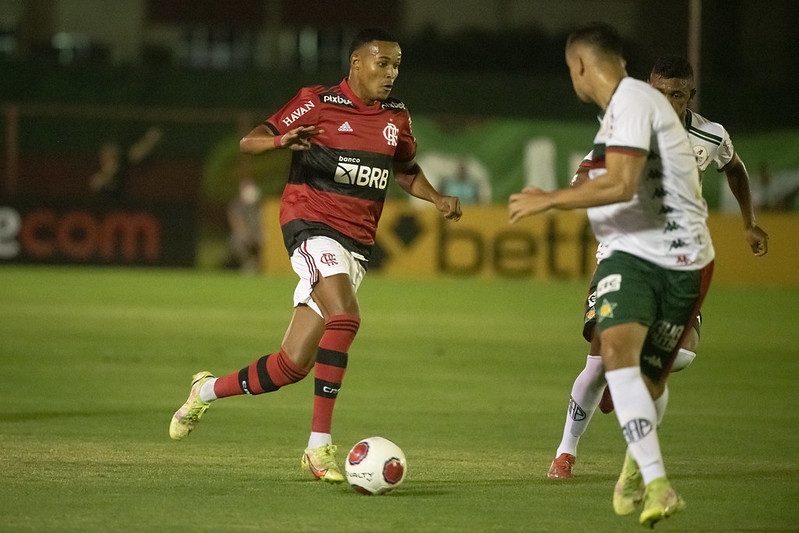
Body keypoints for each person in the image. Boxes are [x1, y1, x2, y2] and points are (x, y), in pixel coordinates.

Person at [168, 28, 462, 483]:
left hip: (357, 242)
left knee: (291, 366)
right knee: (345, 319)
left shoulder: (396, 116)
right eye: (382, 63)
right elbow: (251, 140)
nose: (391, 73)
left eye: (397, 65)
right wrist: (279, 142)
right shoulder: (318, 102)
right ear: (356, 63)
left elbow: (404, 170)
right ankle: (317, 447)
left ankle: (203, 390)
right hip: (310, 225)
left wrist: (436, 197)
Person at [509, 23, 715, 527]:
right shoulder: (632, 112)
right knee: (619, 362)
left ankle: (635, 461)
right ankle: (653, 480)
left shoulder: (633, 104)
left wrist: (549, 198)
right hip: (655, 257)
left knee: (651, 373)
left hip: (669, 260)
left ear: (579, 67)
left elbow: (620, 183)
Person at [545, 53, 770, 482]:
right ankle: (565, 453)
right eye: (661, 92)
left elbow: (735, 169)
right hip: (623, 254)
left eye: (678, 95)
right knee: (598, 360)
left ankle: (623, 376)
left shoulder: (710, 135)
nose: (668, 101)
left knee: (681, 354)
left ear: (691, 96)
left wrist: (749, 222)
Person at [89, 126, 162, 202]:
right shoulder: (98, 179)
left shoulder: (125, 166)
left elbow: (136, 154)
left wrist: (150, 141)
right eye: (106, 156)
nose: (108, 159)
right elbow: (96, 185)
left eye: (112, 156)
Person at [225, 177, 263, 273]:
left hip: (258, 233)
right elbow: (236, 223)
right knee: (237, 241)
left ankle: (262, 264)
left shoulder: (259, 205)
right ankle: (248, 263)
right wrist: (247, 234)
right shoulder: (236, 205)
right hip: (243, 235)